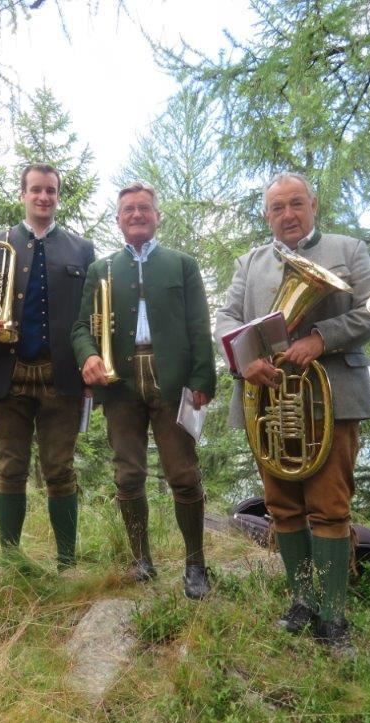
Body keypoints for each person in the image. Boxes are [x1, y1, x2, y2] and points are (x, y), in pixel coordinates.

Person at [215, 172, 370, 648]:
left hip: (332, 395)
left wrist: (321, 338)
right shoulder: (250, 262)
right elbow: (225, 319)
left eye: (296, 204)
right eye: (277, 208)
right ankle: (303, 601)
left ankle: (333, 616)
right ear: (266, 215)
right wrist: (245, 358)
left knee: (330, 506)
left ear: (313, 205)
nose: (287, 215)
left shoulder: (348, 249)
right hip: (269, 398)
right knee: (282, 506)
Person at [71, 182, 216, 599]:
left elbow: (199, 324)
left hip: (173, 380)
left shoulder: (182, 264)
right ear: (118, 220)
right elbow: (81, 327)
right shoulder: (101, 269)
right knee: (128, 474)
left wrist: (202, 379)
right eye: (129, 210)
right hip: (119, 382)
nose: (137, 215)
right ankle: (141, 560)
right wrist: (88, 357)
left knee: (183, 474)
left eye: (144, 208)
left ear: (157, 216)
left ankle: (195, 566)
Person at [0, 163, 94, 569]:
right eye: (36, 189)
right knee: (10, 468)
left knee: (60, 470)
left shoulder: (81, 249)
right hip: (9, 374)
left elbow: (91, 315)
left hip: (62, 377)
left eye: (50, 190)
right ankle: (11, 561)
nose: (43, 197)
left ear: (57, 196)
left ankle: (67, 563)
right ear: (23, 194)